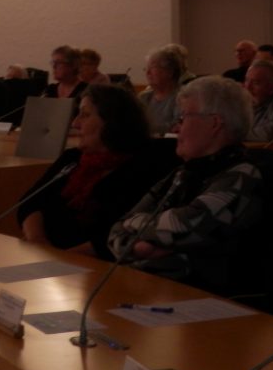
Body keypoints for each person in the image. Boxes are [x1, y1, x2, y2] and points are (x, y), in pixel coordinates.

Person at [107, 75, 266, 295]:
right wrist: (143, 247)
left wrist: (135, 232)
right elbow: (115, 230)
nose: (176, 127)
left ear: (214, 123)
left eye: (183, 118)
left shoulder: (242, 175)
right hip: (157, 292)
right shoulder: (184, 172)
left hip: (210, 302)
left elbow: (183, 226)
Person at [17, 85, 175, 258]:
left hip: (96, 264)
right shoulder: (72, 158)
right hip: (47, 258)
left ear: (112, 122)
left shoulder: (144, 165)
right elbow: (30, 202)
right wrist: (38, 241)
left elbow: (122, 233)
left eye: (85, 115)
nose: (75, 123)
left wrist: (61, 259)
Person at [139, 45, 183, 135]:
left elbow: (176, 126)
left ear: (170, 72)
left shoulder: (182, 97)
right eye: (146, 69)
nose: (147, 73)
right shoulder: (143, 97)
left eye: (152, 68)